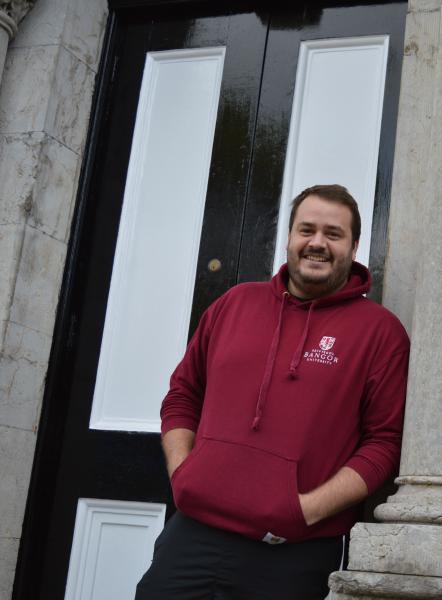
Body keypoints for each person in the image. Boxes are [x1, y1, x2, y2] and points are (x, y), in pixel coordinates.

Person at [136, 184, 410, 599]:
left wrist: (304, 511)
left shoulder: (381, 333)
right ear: (290, 237)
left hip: (292, 554)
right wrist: (184, 473)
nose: (317, 243)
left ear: (354, 246)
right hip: (192, 537)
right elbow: (182, 396)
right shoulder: (234, 304)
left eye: (333, 234)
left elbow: (384, 443)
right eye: (307, 230)